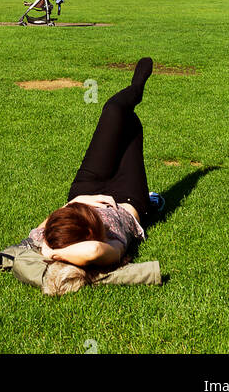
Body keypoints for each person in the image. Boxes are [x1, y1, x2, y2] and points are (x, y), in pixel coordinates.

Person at [33, 59, 156, 275]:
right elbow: (93, 250)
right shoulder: (113, 244)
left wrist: (77, 201)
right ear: (91, 232)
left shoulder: (53, 234)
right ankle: (131, 103)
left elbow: (40, 229)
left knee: (114, 110)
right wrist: (53, 254)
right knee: (132, 126)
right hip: (127, 200)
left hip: (86, 189)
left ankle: (136, 88)